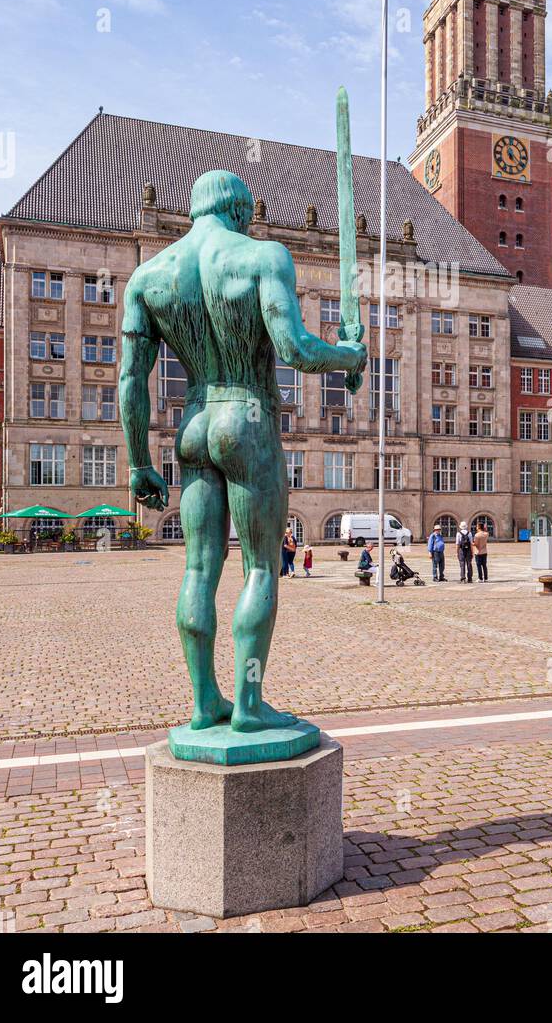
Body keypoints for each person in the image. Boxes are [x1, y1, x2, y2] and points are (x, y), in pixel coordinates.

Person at [119, 168, 366, 735]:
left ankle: (205, 702)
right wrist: (350, 356)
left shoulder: (147, 276)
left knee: (199, 568)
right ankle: (250, 704)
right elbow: (297, 350)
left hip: (195, 421)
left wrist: (138, 462)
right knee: (261, 568)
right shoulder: (264, 256)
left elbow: (131, 381)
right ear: (239, 211)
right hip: (246, 419)